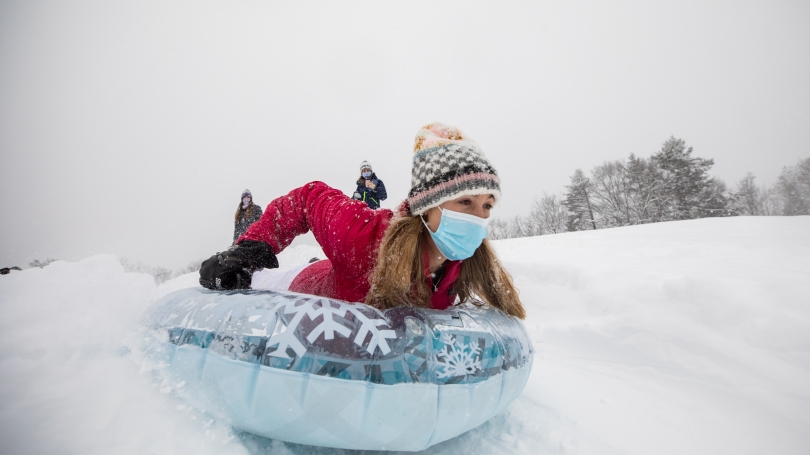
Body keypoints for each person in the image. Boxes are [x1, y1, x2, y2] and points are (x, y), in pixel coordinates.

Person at [201, 123, 525, 319]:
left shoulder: (462, 264)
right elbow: (308, 197)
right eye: (465, 202)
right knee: (286, 277)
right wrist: (253, 245)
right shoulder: (363, 238)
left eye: (487, 206)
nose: (478, 218)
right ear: (427, 206)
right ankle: (311, 264)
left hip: (346, 277)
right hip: (302, 291)